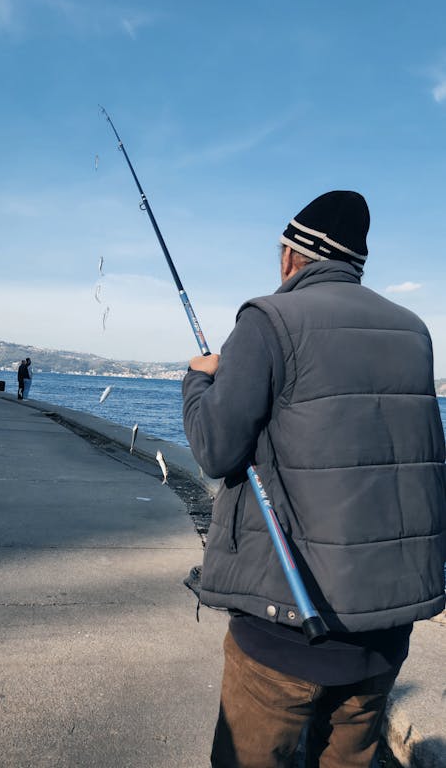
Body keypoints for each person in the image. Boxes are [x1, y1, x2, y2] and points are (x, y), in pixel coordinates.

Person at [182, 190, 446, 768]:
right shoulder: (415, 332)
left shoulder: (267, 318)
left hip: (286, 632)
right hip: (383, 633)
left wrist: (200, 382)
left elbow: (215, 449)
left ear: (290, 256)